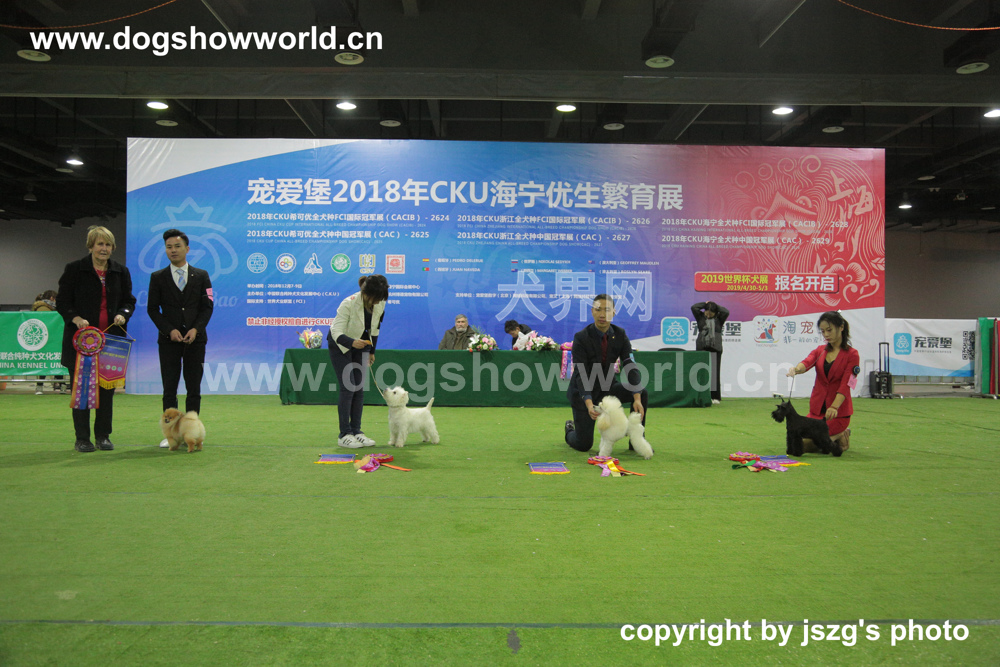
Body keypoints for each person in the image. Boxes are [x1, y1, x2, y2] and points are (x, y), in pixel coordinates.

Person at [56, 225, 136, 453]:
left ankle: (103, 436)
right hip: (80, 343)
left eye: (108, 244)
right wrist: (75, 318)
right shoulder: (74, 269)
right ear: (90, 246)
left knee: (107, 392)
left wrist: (123, 314)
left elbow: (129, 301)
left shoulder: (121, 271)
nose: (104, 248)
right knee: (81, 391)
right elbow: (63, 301)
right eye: (100, 244)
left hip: (111, 342)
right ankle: (82, 438)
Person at [147, 229, 214, 447]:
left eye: (177, 246)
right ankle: (171, 435)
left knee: (194, 389)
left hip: (196, 341)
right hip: (169, 342)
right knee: (170, 389)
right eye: (169, 247)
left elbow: (208, 307)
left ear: (187, 249)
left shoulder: (201, 275)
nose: (173, 250)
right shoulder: (157, 277)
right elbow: (152, 309)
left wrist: (196, 329)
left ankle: (191, 432)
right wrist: (169, 330)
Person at [564, 294, 649, 453]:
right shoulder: (581, 337)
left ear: (614, 312)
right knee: (583, 444)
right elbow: (581, 373)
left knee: (640, 392)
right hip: (584, 392)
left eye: (607, 310)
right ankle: (569, 429)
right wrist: (589, 403)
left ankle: (636, 440)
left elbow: (630, 365)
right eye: (598, 310)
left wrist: (636, 398)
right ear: (592, 311)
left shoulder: (620, 334)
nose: (602, 314)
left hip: (608, 389)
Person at [328, 274, 389, 448]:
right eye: (376, 298)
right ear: (367, 293)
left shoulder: (380, 303)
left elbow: (375, 329)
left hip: (362, 345)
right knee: (348, 387)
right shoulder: (348, 303)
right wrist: (352, 342)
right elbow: (336, 332)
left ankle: (356, 431)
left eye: (381, 299)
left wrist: (371, 351)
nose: (378, 302)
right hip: (341, 344)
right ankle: (344, 434)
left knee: (359, 389)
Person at [785, 311, 860, 454]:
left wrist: (834, 407)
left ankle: (840, 434)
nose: (826, 334)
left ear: (841, 327)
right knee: (797, 441)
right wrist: (796, 369)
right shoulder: (820, 351)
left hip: (837, 414)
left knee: (807, 445)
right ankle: (834, 438)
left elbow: (847, 384)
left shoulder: (852, 355)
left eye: (829, 330)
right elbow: (807, 362)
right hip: (816, 412)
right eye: (823, 331)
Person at [691, 301, 730, 404]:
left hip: (715, 348)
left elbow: (726, 311)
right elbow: (694, 307)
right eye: (707, 312)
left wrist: (714, 305)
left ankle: (715, 397)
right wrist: (706, 304)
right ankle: (700, 395)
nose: (708, 315)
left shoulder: (719, 319)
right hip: (702, 347)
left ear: (715, 312)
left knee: (714, 373)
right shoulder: (700, 317)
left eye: (711, 313)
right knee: (700, 371)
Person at [32, 290, 59, 394]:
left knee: (53, 361)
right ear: (52, 298)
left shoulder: (44, 307)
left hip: (48, 339)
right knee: (47, 362)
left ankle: (59, 384)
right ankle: (41, 385)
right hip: (47, 339)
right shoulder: (44, 309)